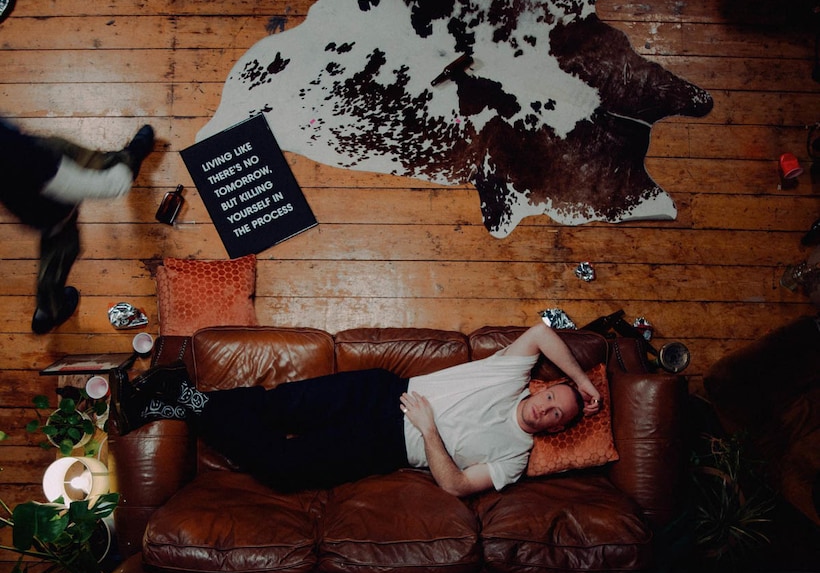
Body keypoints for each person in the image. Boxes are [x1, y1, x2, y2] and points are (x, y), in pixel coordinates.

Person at [114, 320, 601, 497]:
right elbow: (540, 333)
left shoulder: (515, 457)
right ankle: (183, 400)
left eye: (558, 416)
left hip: (387, 443)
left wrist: (429, 430)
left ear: (555, 430)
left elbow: (455, 486)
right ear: (542, 388)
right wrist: (582, 383)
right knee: (272, 405)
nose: (548, 411)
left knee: (284, 469)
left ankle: (179, 398)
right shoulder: (509, 375)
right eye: (551, 398)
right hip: (382, 392)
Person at [0, 118, 155, 334]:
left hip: (26, 187)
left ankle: (47, 312)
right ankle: (132, 155)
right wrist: (122, 174)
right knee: (62, 244)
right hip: (42, 181)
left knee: (56, 238)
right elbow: (108, 185)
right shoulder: (35, 166)